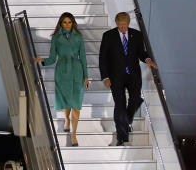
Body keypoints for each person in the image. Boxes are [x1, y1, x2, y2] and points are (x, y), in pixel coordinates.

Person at [99, 12, 159, 146]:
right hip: (115, 77)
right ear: (116, 24)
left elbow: (141, 53)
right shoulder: (108, 36)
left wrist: (148, 59)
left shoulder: (137, 35)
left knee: (136, 99)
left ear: (128, 23)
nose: (122, 28)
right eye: (120, 25)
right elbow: (102, 58)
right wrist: (105, 77)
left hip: (133, 76)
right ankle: (122, 137)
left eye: (124, 25)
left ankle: (126, 120)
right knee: (120, 105)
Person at [35, 12, 89, 146]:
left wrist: (86, 76)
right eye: (64, 22)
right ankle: (66, 119)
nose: (67, 25)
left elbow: (83, 57)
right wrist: (42, 60)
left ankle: (74, 135)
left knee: (76, 104)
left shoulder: (79, 37)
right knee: (66, 101)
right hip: (62, 72)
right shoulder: (56, 38)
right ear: (60, 23)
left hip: (77, 71)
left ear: (73, 23)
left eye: (69, 22)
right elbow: (53, 58)